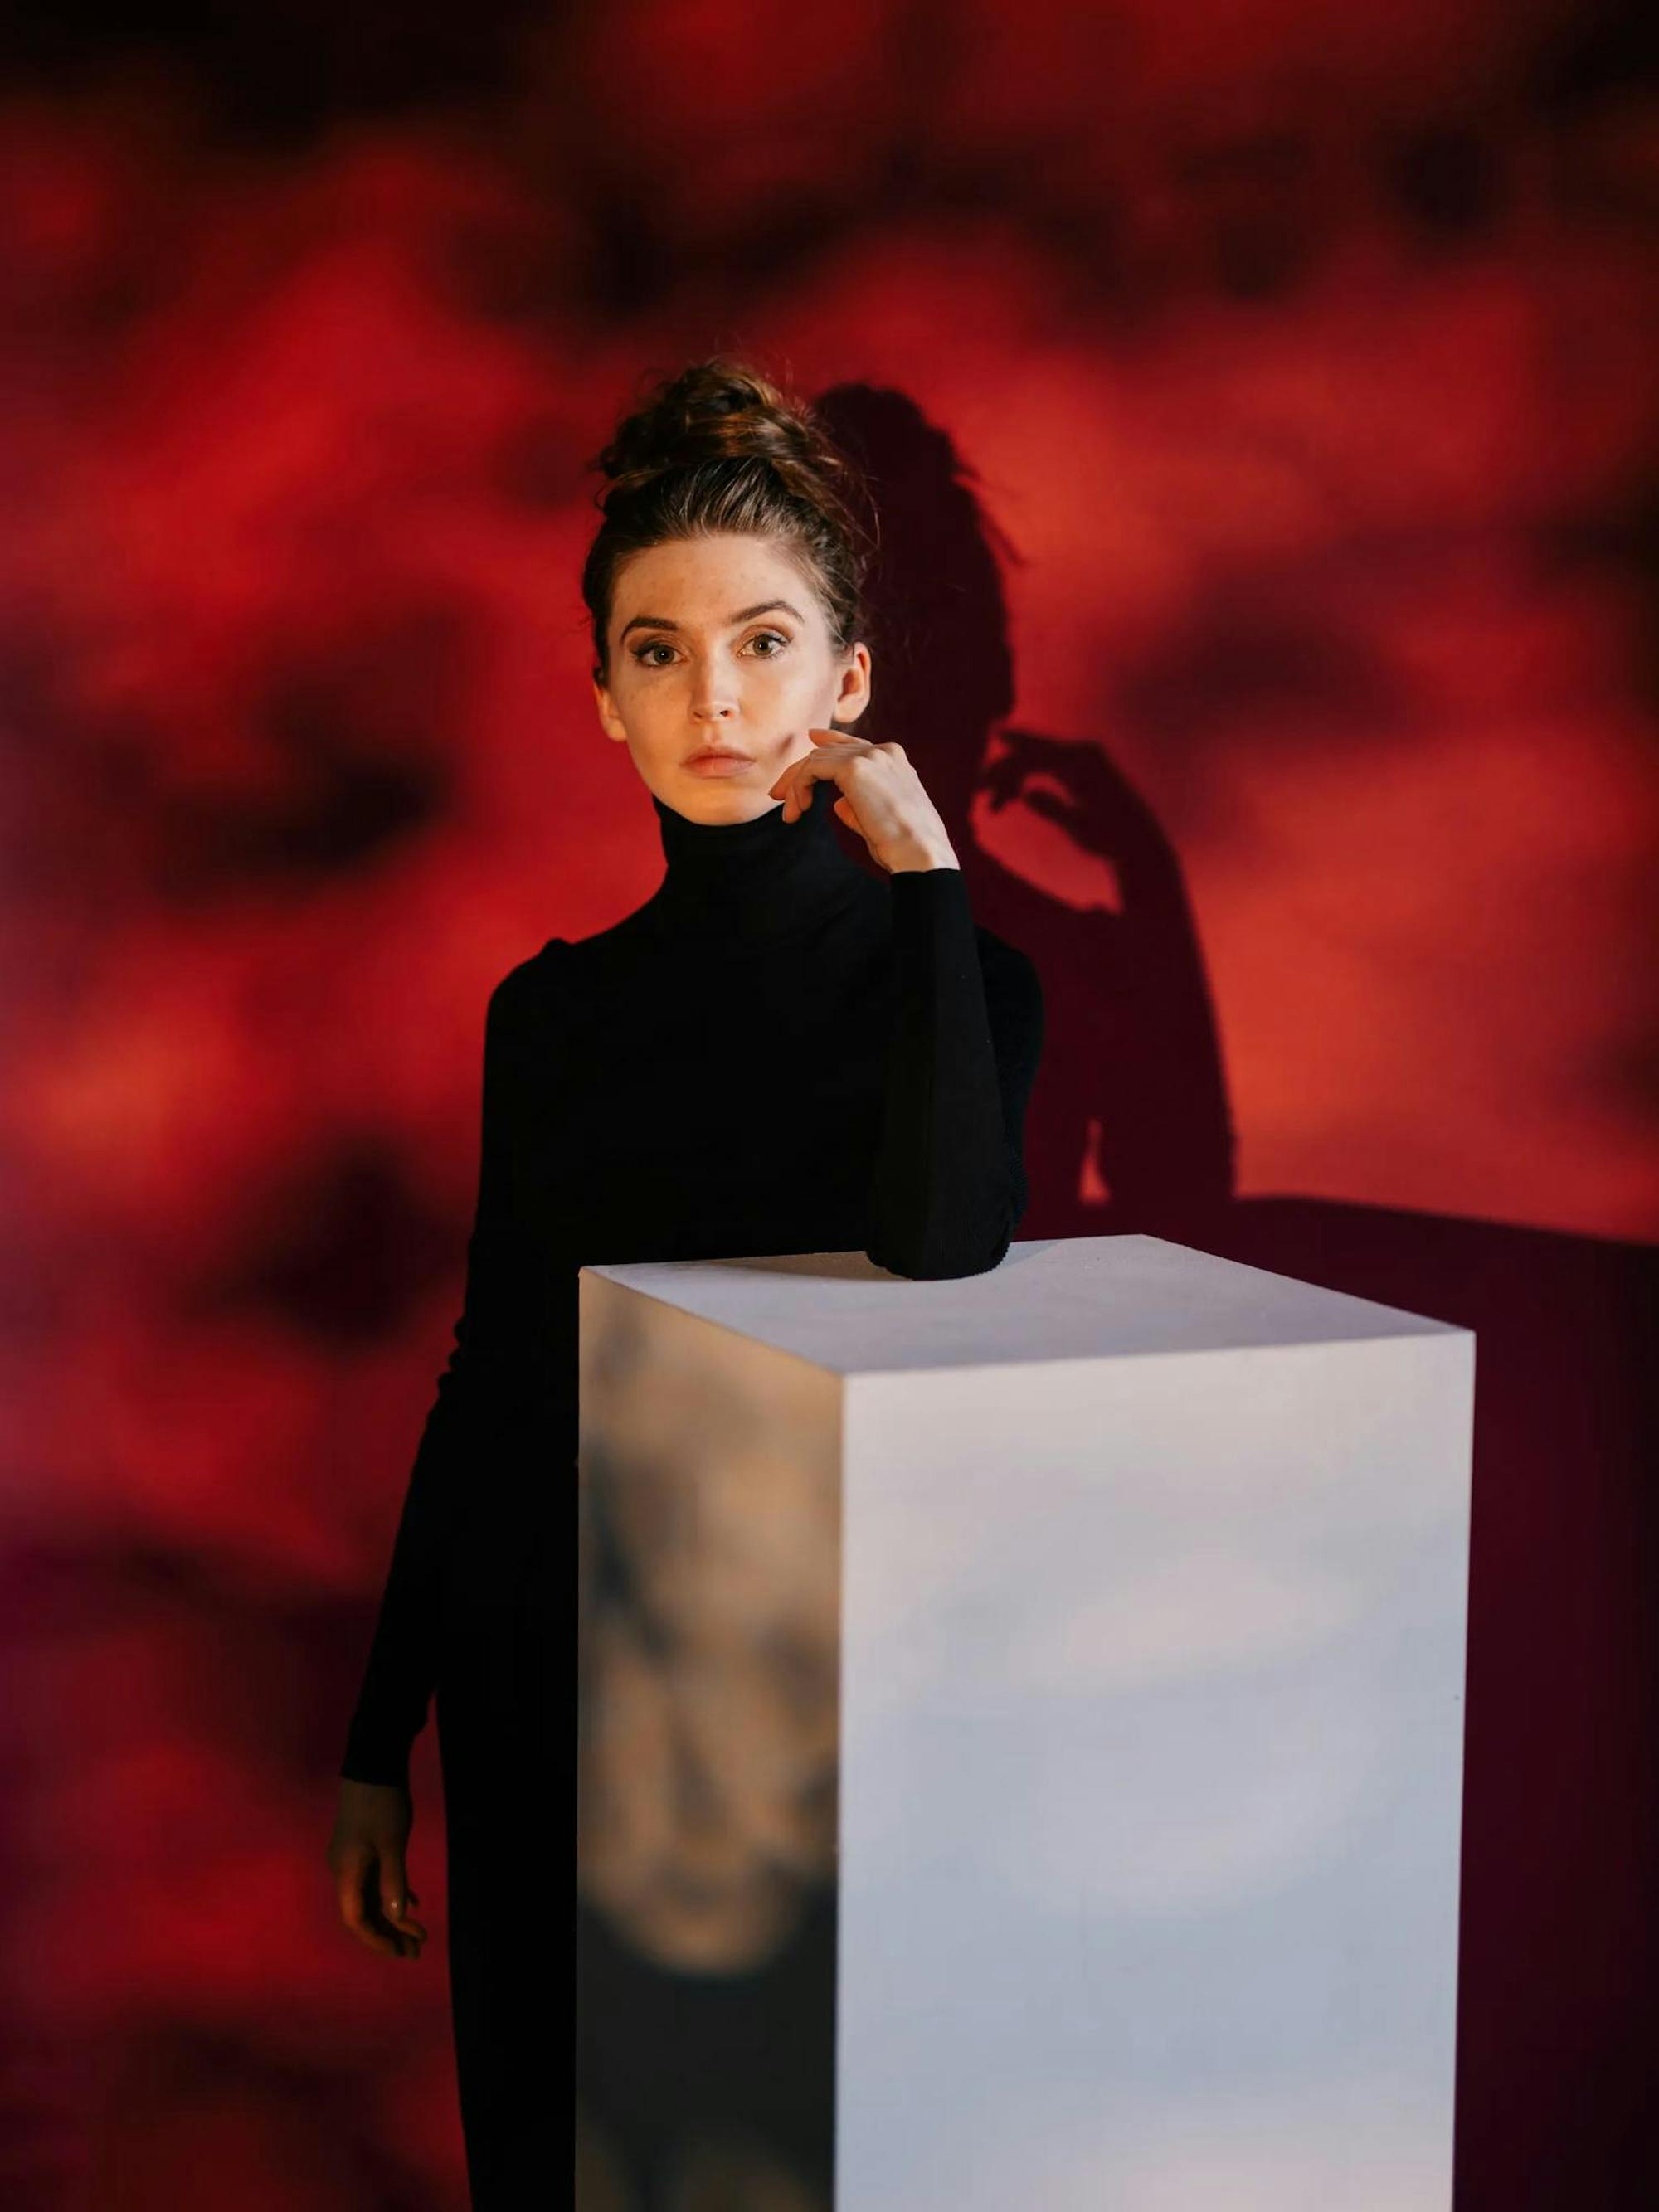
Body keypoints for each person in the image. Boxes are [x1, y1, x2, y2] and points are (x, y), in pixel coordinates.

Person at [324, 355, 1046, 2204]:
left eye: (762, 638)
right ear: (601, 698)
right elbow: (491, 1369)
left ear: (847, 683)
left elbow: (944, 1239)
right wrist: (378, 1725)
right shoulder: (550, 1012)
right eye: (657, 649)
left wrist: (933, 887)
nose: (713, 695)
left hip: (796, 1701)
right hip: (533, 1676)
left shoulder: (959, 988)